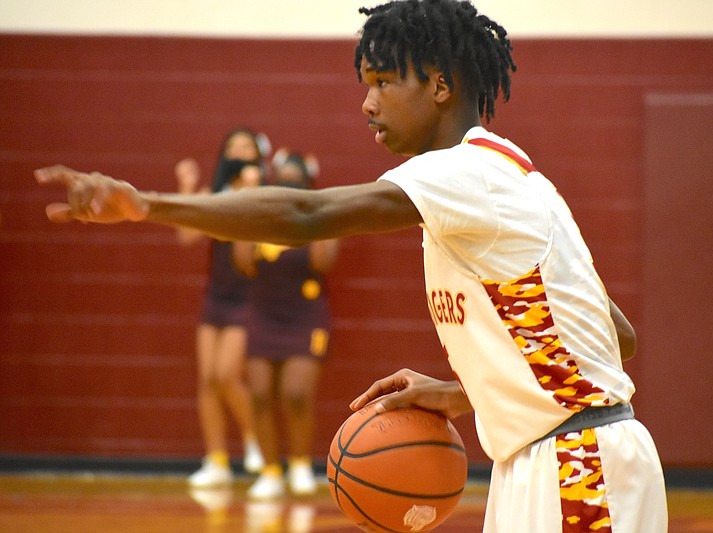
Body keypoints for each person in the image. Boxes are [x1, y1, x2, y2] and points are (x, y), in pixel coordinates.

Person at [34, 1, 668, 530]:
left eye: (384, 82)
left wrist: (148, 204)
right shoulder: (512, 178)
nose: (367, 104)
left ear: (440, 85)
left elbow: (308, 216)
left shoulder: (466, 173)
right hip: (558, 455)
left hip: (577, 468)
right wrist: (464, 391)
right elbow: (618, 338)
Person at [232, 148, 340, 499]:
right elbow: (242, 261)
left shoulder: (317, 216)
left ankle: (299, 464)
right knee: (261, 395)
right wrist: (248, 209)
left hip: (305, 316)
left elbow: (324, 262)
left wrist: (321, 220)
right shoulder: (263, 216)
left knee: (295, 394)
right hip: (263, 313)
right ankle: (269, 471)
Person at [174, 128, 266, 488]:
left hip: (250, 295)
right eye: (233, 147)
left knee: (228, 374)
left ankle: (254, 439)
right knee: (208, 379)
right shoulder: (215, 196)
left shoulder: (264, 194)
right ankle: (216, 460)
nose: (240, 153)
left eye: (247, 146)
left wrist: (255, 189)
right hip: (217, 295)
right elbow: (186, 235)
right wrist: (186, 185)